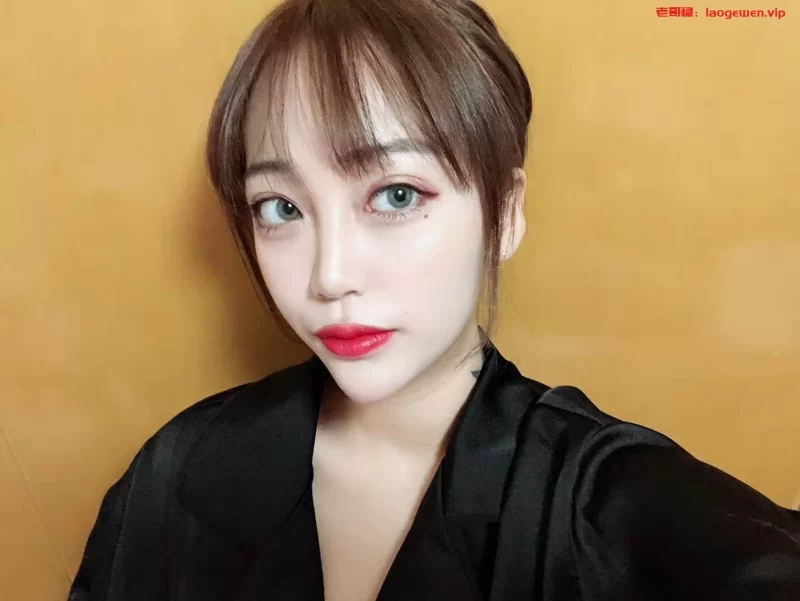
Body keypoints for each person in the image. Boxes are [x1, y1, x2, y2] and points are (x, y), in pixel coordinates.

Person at [69, 0, 800, 599]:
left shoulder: (597, 503)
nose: (330, 276)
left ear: (503, 212)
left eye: (395, 194)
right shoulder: (176, 472)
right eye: (280, 208)